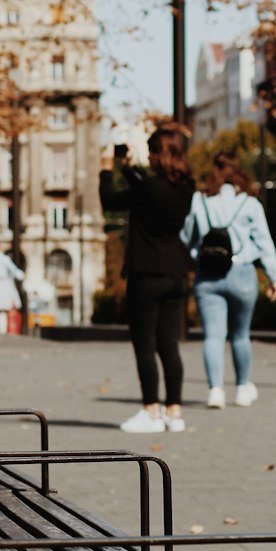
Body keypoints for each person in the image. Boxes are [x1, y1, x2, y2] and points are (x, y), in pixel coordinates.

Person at [99, 123, 195, 433]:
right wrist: (129, 170)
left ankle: (151, 410)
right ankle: (174, 412)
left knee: (145, 345)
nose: (150, 158)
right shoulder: (186, 187)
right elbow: (147, 191)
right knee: (169, 344)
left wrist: (106, 170)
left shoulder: (148, 189)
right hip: (176, 271)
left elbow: (111, 201)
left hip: (147, 272)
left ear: (159, 154)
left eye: (152, 152)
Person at [181, 151, 276, 408]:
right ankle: (241, 388)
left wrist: (196, 255)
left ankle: (216, 390)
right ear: (239, 172)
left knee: (213, 336)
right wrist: (273, 278)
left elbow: (187, 238)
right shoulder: (249, 204)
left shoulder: (199, 201)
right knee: (240, 335)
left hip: (208, 276)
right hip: (243, 274)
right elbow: (264, 243)